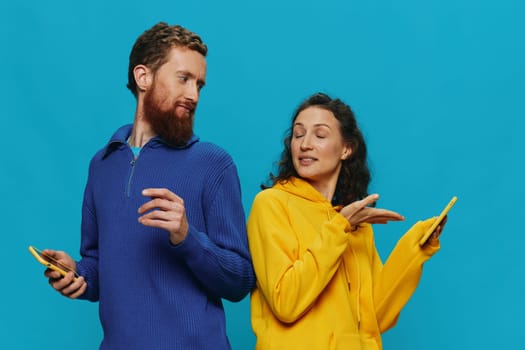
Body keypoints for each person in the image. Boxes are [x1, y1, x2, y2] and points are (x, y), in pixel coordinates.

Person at [42, 22, 255, 350]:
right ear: (144, 77)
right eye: (183, 79)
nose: (193, 95)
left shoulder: (213, 164)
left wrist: (187, 237)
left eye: (199, 84)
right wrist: (78, 274)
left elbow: (240, 279)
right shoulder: (102, 165)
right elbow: (101, 266)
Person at [247, 92, 446, 350]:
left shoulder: (355, 225)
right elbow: (285, 302)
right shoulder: (271, 204)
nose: (305, 144)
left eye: (319, 135)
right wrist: (339, 228)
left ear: (346, 149)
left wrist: (416, 248)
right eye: (298, 134)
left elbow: (376, 317)